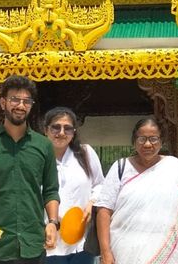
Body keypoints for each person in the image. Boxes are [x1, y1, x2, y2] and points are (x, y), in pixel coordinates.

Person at [0, 75, 60, 264]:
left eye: (26, 101)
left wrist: (52, 223)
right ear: (3, 103)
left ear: (31, 105)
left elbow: (51, 190)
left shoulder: (43, 146)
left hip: (33, 244)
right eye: (14, 100)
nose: (20, 105)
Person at [96, 115, 178, 264]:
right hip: (124, 250)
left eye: (153, 139)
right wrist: (105, 252)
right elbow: (104, 211)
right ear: (134, 141)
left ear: (161, 141)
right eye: (142, 139)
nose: (147, 144)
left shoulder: (177, 170)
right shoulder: (120, 168)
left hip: (166, 251)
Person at [43, 107, 105, 264]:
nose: (61, 132)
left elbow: (100, 184)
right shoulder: (38, 159)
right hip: (49, 240)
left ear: (74, 132)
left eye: (68, 128)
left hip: (82, 240)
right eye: (56, 127)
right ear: (46, 130)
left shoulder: (86, 153)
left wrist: (92, 203)